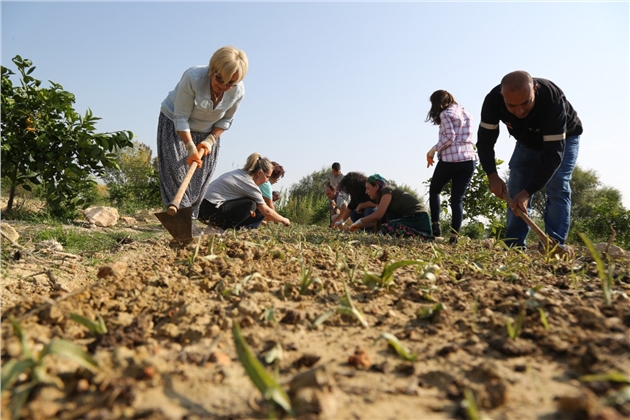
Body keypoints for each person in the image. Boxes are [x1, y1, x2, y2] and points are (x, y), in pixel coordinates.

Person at [477, 70, 582, 248]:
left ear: (535, 88)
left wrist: (528, 192)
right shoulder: (492, 101)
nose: (519, 111)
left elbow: (553, 155)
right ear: (502, 96)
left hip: (563, 138)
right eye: (511, 106)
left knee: (558, 184)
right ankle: (514, 245)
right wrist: (492, 175)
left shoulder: (552, 99)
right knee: (516, 185)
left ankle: (554, 246)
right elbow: (485, 142)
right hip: (527, 141)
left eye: (526, 103)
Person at [157, 46, 248, 219]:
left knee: (200, 179)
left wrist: (210, 140)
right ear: (212, 69)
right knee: (177, 173)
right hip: (175, 123)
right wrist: (190, 146)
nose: (224, 86)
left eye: (230, 83)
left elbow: (225, 120)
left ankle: (190, 218)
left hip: (208, 132)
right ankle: (179, 221)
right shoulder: (193, 78)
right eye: (220, 79)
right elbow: (181, 117)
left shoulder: (238, 91)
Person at [425, 90, 478, 244]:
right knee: (457, 199)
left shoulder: (445, 114)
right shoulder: (467, 113)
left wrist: (433, 150)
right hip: (469, 159)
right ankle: (454, 237)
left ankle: (436, 226)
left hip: (451, 159)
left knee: (435, 189)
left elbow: (449, 136)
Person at [198, 153, 290, 230]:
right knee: (251, 204)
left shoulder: (239, 173)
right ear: (259, 173)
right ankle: (220, 230)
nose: (266, 181)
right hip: (208, 211)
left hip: (202, 207)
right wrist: (283, 219)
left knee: (251, 203)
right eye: (267, 176)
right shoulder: (249, 183)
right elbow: (267, 211)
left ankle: (213, 229)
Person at [349, 175, 433, 240]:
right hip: (412, 220)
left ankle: (426, 237)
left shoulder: (387, 190)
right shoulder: (382, 198)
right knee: (385, 226)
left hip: (418, 218)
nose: (366, 192)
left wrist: (359, 220)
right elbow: (377, 222)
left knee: (386, 228)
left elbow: (378, 215)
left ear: (376, 187)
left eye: (368, 188)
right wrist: (354, 226)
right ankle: (427, 237)